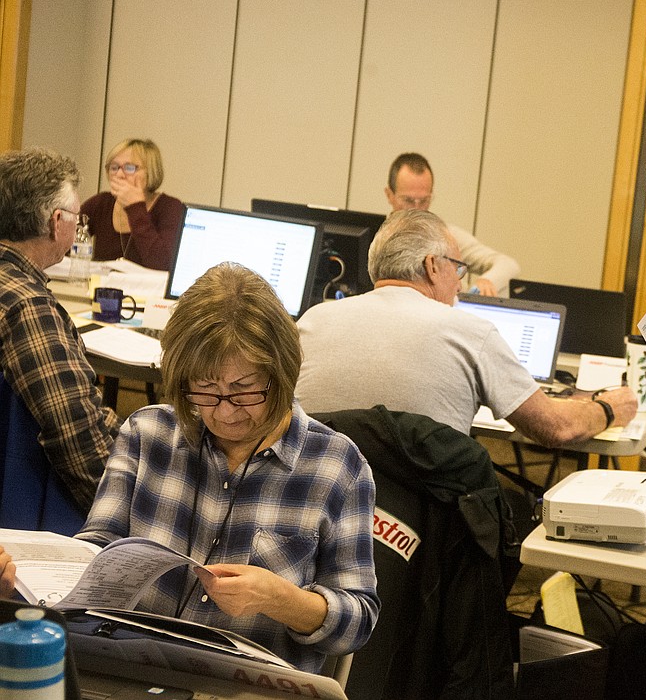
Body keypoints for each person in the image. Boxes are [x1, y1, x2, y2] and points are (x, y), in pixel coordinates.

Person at [75, 263, 377, 672]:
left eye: (244, 390)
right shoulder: (148, 434)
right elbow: (94, 549)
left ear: (281, 374)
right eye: (205, 389)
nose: (225, 412)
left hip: (251, 686)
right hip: (133, 668)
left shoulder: (337, 466)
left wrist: (284, 601)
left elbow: (357, 623)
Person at [296, 209, 635, 446]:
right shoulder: (470, 332)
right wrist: (607, 408)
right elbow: (556, 429)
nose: (459, 285)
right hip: (419, 531)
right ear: (432, 266)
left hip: (319, 517)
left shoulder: (312, 322)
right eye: (457, 270)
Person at [0, 147, 119, 533]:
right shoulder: (28, 308)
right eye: (76, 216)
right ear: (56, 223)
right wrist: (128, 520)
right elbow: (80, 445)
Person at [385, 152, 519, 296]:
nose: (417, 209)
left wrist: (487, 281)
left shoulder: (447, 237)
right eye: (408, 200)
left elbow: (508, 265)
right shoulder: (378, 241)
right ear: (389, 195)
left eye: (424, 200)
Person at [80, 138, 185, 270]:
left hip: (149, 289)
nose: (119, 174)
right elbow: (61, 246)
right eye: (114, 167)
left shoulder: (170, 208)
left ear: (150, 172)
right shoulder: (100, 203)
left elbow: (163, 263)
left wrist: (135, 208)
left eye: (129, 168)